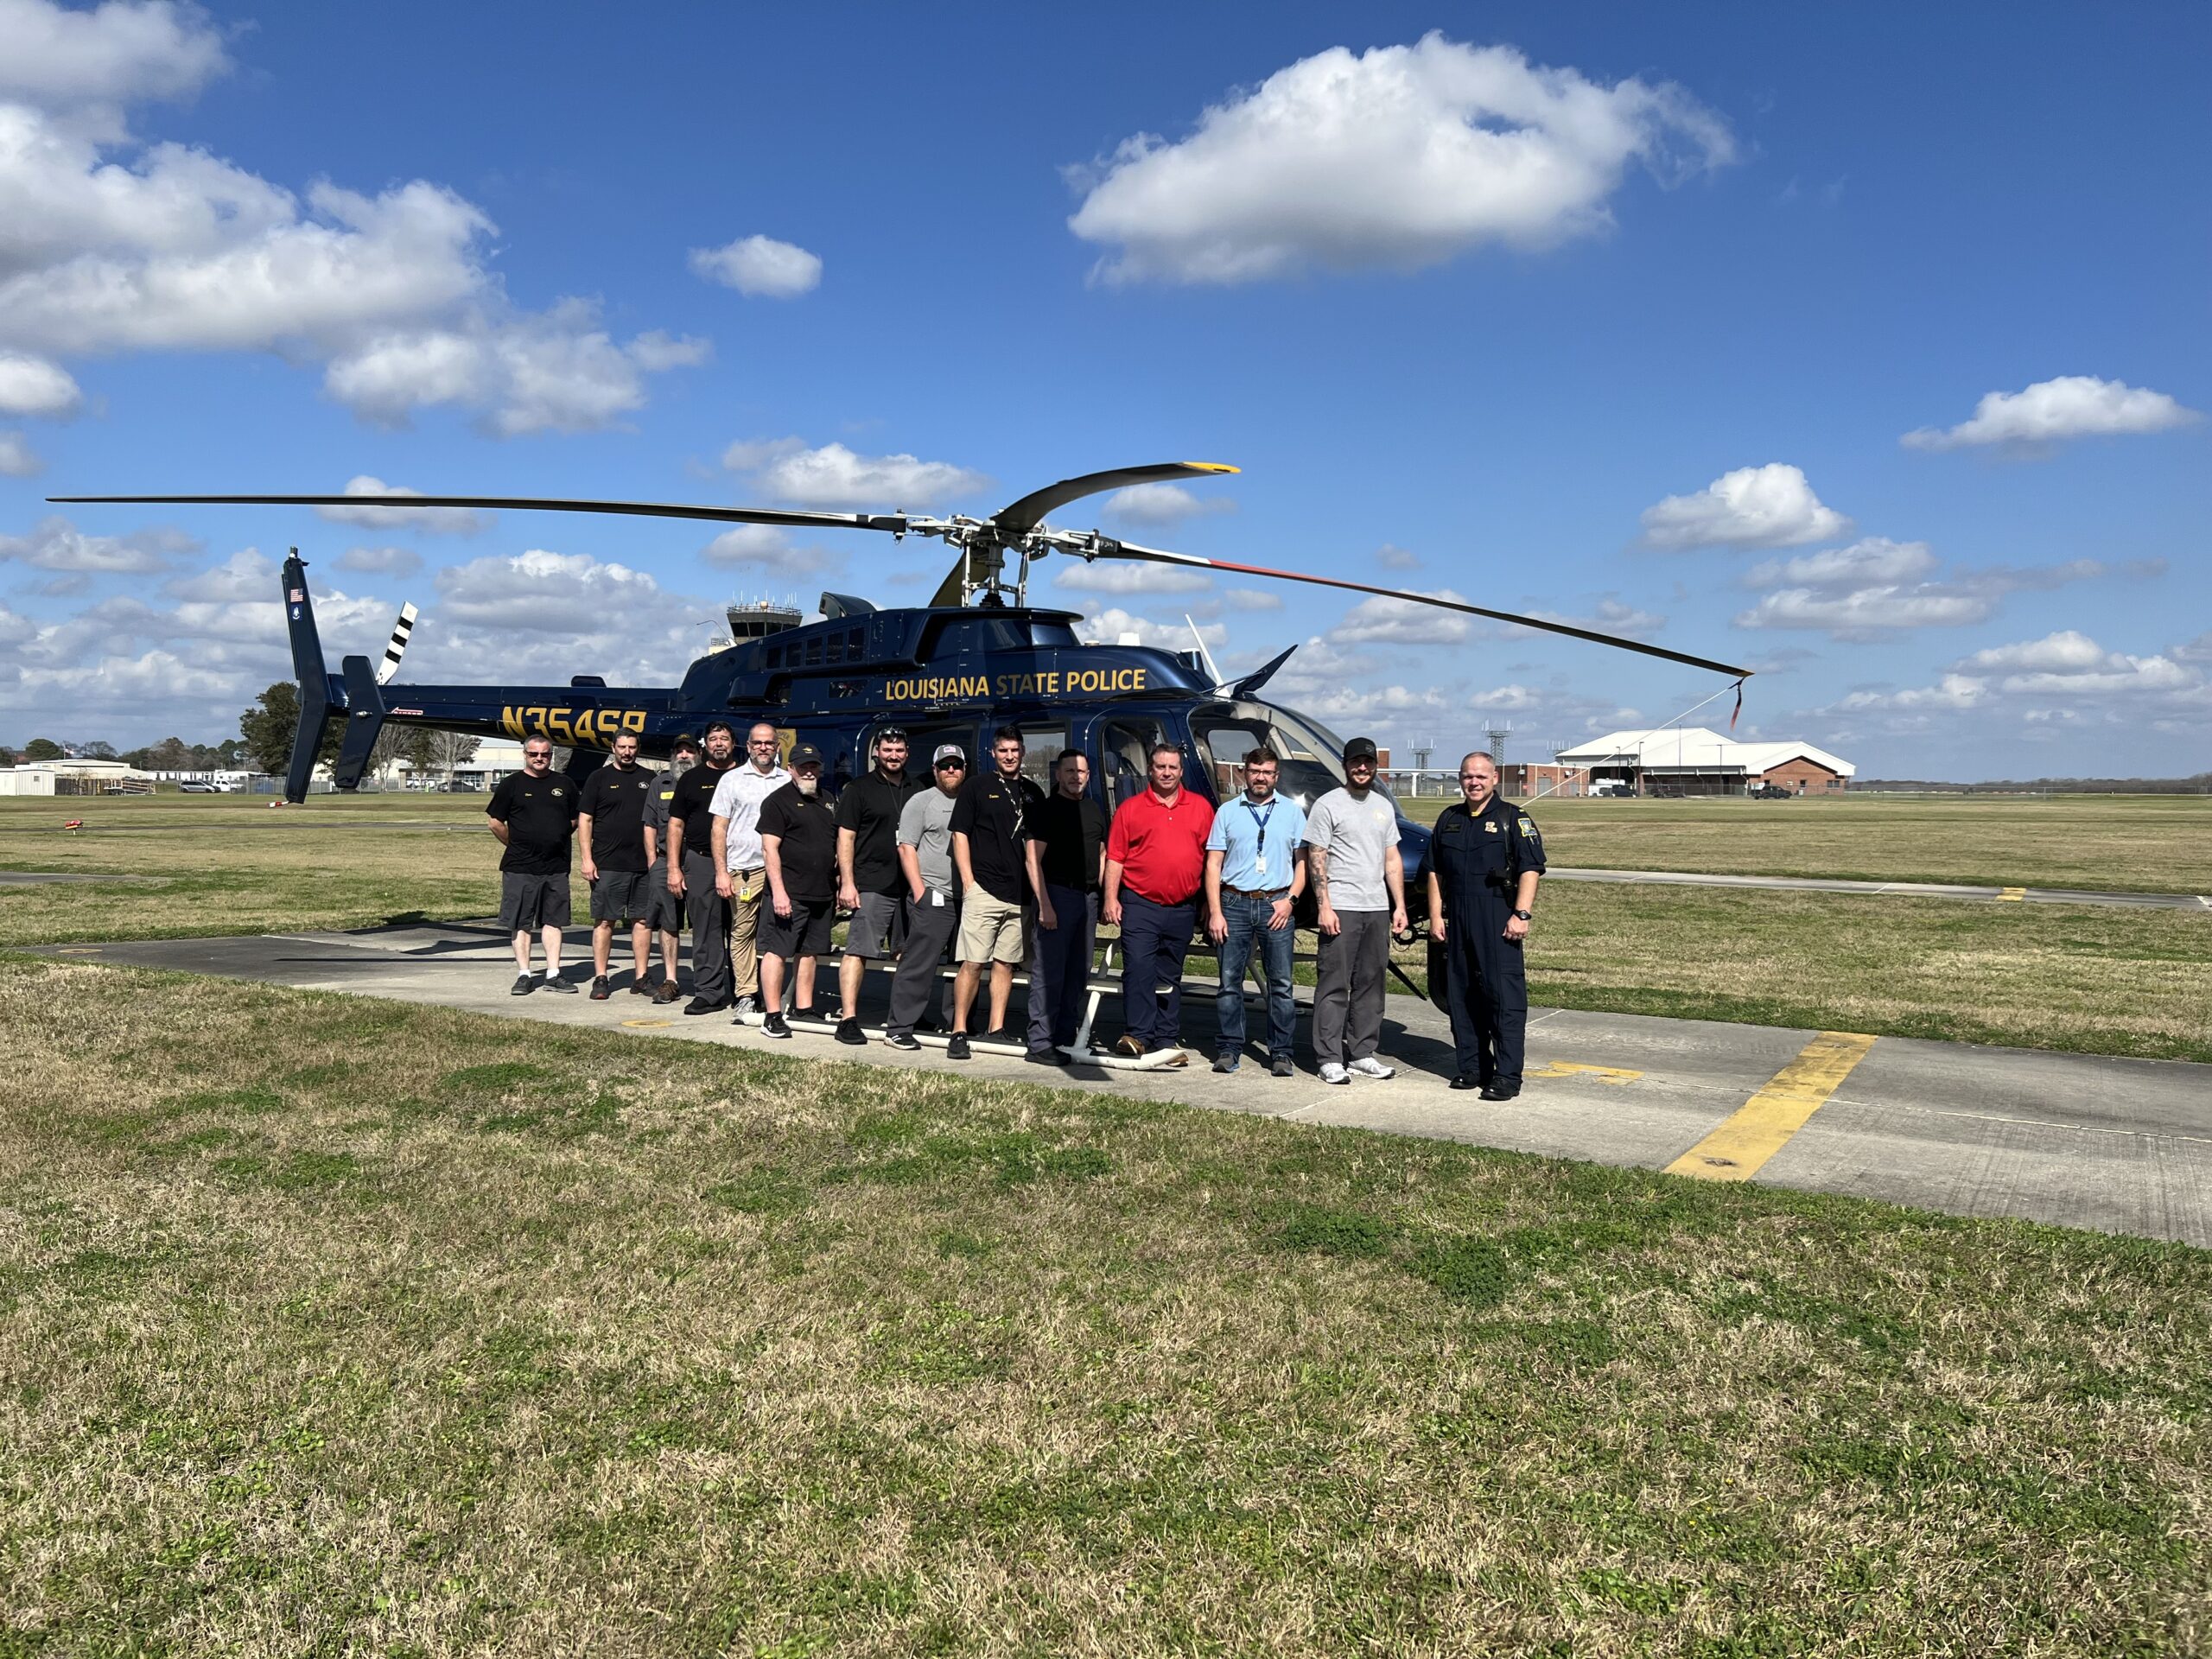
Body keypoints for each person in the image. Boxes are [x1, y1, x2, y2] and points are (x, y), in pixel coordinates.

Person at [1422, 751, 1546, 1097]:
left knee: (1502, 997)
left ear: (1493, 779)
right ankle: (1474, 1067)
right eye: (1467, 776)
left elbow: (1530, 869)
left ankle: (1507, 1076)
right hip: (1457, 918)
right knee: (1461, 996)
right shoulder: (1449, 819)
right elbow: (1434, 871)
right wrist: (1435, 916)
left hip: (1497, 918)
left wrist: (1521, 914)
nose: (1473, 783)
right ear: (1460, 779)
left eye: (1480, 776)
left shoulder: (1513, 818)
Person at [1102, 742, 1214, 1064]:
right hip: (1140, 904)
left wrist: (1208, 902)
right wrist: (1111, 898)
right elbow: (1116, 858)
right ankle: (1137, 1034)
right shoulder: (1131, 808)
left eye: (1173, 768)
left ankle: (1165, 1039)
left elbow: (1211, 860)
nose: (1167, 773)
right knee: (1138, 968)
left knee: (1170, 974)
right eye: (1161, 767)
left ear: (1181, 771)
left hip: (1182, 907)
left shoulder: (1201, 808)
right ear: (1150, 770)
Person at [1304, 735, 1407, 1084]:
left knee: (1371, 983)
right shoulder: (1328, 804)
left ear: (1376, 766)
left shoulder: (1382, 807)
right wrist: (1325, 907)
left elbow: (1391, 859)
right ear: (1345, 766)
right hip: (1342, 907)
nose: (1362, 768)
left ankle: (1362, 1052)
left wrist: (1399, 906)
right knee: (1334, 983)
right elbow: (1316, 856)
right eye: (1355, 763)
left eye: (1368, 763)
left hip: (1376, 907)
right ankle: (1329, 1056)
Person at [1204, 748, 1306, 1077]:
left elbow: (1302, 862)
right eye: (1254, 771)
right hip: (1233, 903)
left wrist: (1290, 900)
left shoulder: (1292, 812)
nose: (1260, 777)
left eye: (1268, 772)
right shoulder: (1227, 811)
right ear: (1244, 773)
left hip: (1276, 904)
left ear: (1276, 776)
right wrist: (1216, 912)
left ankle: (1281, 1052)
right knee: (1229, 981)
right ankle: (1230, 1048)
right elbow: (1213, 864)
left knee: (1281, 984)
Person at [946, 728, 1044, 1059]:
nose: (1009, 756)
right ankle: (959, 1030)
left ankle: (996, 1028)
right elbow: (960, 835)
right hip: (984, 890)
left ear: (1023, 751)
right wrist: (969, 881)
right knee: (973, 963)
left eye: (1015, 750)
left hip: (1019, 896)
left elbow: (1037, 845)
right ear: (993, 753)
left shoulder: (1032, 792)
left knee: (1005, 964)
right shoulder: (977, 786)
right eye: (1003, 750)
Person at [832, 727, 918, 1045]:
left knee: (906, 953)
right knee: (859, 950)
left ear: (906, 753)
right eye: (887, 750)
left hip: (908, 887)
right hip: (870, 884)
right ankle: (848, 1018)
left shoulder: (917, 787)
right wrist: (848, 883)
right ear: (876, 753)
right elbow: (846, 838)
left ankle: (904, 1016)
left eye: (898, 750)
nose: (893, 756)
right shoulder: (859, 788)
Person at [1027, 748, 1107, 1065]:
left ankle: (1063, 1036)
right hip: (1056, 896)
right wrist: (1045, 905)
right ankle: (1039, 1042)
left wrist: (1102, 896)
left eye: (1082, 772)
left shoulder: (1094, 809)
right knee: (1049, 973)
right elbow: (1033, 860)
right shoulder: (1046, 811)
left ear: (1089, 776)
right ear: (1058, 775)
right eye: (1070, 772)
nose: (1076, 777)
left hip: (1087, 899)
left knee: (1077, 973)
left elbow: (1101, 852)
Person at [884, 743, 966, 1051]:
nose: (950, 771)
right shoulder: (921, 802)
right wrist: (920, 892)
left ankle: (956, 1025)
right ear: (935, 770)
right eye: (944, 765)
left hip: (966, 899)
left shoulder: (970, 801)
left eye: (956, 765)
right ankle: (900, 1027)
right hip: (933, 897)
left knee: (962, 967)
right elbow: (906, 848)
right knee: (919, 964)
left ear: (964, 769)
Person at [754, 743, 837, 1039]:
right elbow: (769, 849)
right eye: (803, 767)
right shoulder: (777, 802)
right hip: (788, 893)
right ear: (791, 769)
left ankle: (804, 1007)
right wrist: (778, 892)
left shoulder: (828, 800)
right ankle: (772, 1014)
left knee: (809, 952)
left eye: (814, 766)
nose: (809, 771)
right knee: (776, 952)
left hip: (821, 893)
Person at [485, 738, 579, 995]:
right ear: (525, 754)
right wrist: (514, 844)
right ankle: (524, 975)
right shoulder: (512, 784)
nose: (540, 758)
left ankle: (553, 973)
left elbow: (573, 820)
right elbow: (495, 822)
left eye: (545, 754)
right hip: (520, 866)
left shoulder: (564, 784)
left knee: (554, 921)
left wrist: (554, 838)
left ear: (552, 755)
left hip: (556, 866)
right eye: (534, 753)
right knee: (521, 922)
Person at [709, 721, 790, 1018]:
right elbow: (719, 828)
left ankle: (777, 994)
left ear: (777, 746)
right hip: (745, 870)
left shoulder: (787, 780)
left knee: (781, 932)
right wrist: (721, 871)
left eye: (769, 743)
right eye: (758, 743)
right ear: (749, 745)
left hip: (781, 870)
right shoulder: (732, 780)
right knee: (743, 932)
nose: (764, 748)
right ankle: (745, 993)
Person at [663, 721, 737, 1014]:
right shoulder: (692, 778)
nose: (719, 743)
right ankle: (709, 991)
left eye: (724, 738)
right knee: (706, 930)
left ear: (733, 743)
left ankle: (746, 990)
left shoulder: (746, 775)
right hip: (701, 860)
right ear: (705, 744)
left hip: (742, 864)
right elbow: (676, 824)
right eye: (713, 739)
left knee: (744, 930)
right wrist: (673, 867)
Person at [576, 730, 654, 999]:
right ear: (613, 747)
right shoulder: (599, 778)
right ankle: (601, 977)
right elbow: (585, 821)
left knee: (642, 920)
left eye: (632, 747)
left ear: (638, 748)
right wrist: (587, 858)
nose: (627, 752)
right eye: (622, 747)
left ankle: (641, 977)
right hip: (607, 863)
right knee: (605, 921)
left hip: (642, 864)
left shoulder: (649, 779)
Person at [640, 734, 699, 1003]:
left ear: (698, 754)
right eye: (680, 751)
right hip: (665, 860)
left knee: (705, 922)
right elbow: (650, 824)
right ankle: (671, 979)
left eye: (689, 751)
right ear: (672, 756)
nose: (684, 756)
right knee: (668, 922)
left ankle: (708, 980)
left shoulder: (709, 782)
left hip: (700, 860)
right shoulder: (659, 783)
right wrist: (653, 861)